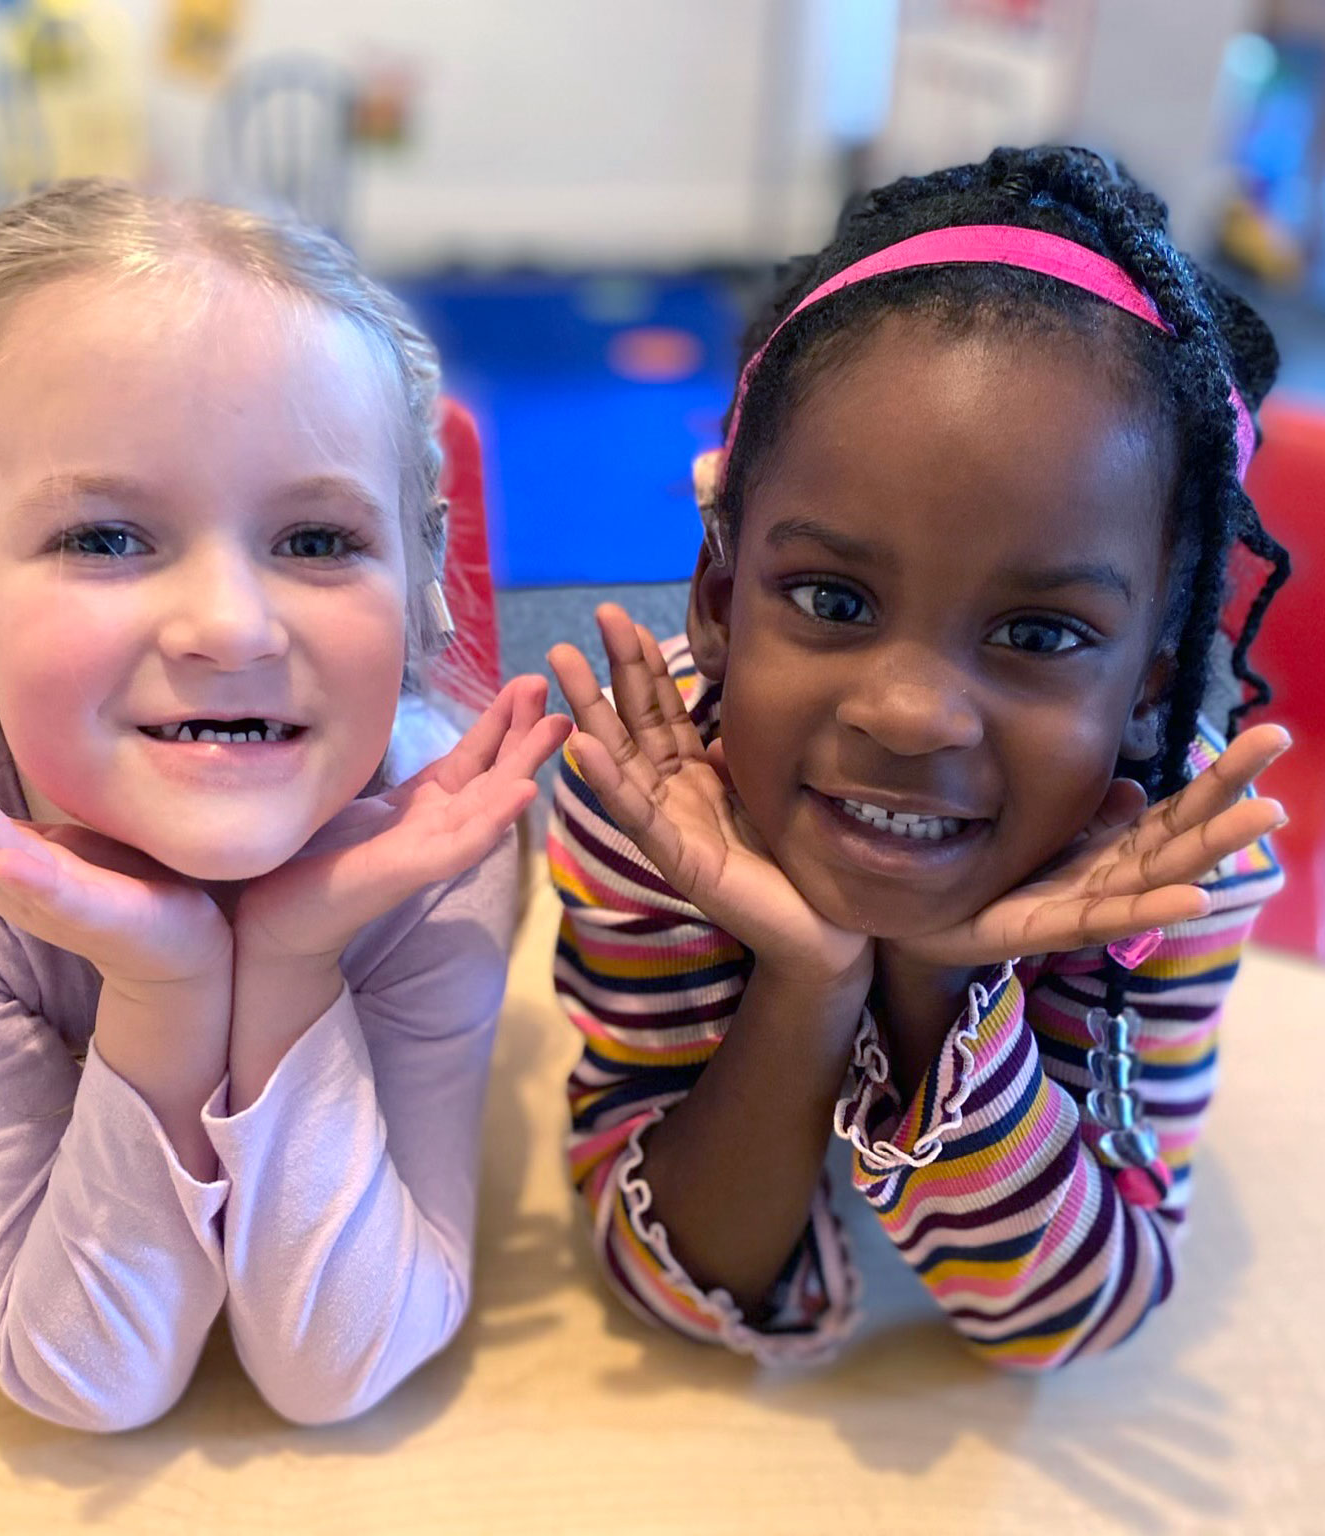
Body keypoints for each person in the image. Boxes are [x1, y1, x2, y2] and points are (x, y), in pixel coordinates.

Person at [0, 180, 570, 1430]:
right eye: (106, 539)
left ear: (418, 587)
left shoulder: (433, 839)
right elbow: (86, 1380)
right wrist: (164, 994)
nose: (232, 626)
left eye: (317, 541)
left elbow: (342, 1366)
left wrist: (288, 962)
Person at [547, 146, 1292, 1369]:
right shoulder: (651, 795)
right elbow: (667, 1277)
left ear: (1149, 678)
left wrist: (939, 985)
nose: (911, 715)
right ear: (721, 599)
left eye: (1043, 634)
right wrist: (812, 977)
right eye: (833, 601)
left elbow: (1075, 1318)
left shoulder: (1173, 864)